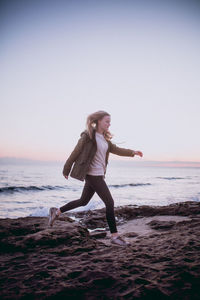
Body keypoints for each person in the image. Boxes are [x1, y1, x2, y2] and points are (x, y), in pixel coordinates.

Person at [49, 110, 143, 246]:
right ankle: (115, 236)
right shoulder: (88, 136)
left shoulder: (105, 139)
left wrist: (133, 152)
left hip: (99, 174)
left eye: (110, 122)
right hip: (92, 175)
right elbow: (76, 151)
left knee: (83, 201)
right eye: (107, 121)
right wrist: (66, 168)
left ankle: (56, 211)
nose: (109, 124)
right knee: (110, 203)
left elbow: (117, 150)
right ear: (98, 121)